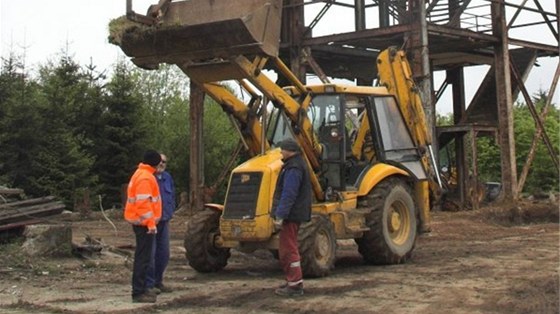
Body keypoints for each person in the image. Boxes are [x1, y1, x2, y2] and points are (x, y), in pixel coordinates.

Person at [271, 138, 312, 297]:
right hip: (294, 213)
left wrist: (280, 215)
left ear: (290, 150)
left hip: (291, 215)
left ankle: (295, 285)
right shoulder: (295, 165)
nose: (280, 152)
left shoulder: (294, 167)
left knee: (288, 249)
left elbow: (289, 194)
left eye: (282, 149)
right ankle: (293, 281)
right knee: (288, 247)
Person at [124, 150, 162, 303]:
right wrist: (151, 224)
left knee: (143, 257)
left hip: (141, 223)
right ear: (156, 163)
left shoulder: (141, 174)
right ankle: (138, 292)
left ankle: (141, 289)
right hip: (144, 224)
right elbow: (143, 204)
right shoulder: (146, 178)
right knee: (143, 258)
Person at [146, 153, 176, 294]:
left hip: (164, 220)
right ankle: (149, 285)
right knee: (150, 254)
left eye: (164, 161)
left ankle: (158, 281)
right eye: (159, 161)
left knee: (163, 253)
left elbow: (172, 196)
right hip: (150, 222)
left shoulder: (167, 178)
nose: (162, 164)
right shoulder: (148, 178)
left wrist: (171, 212)